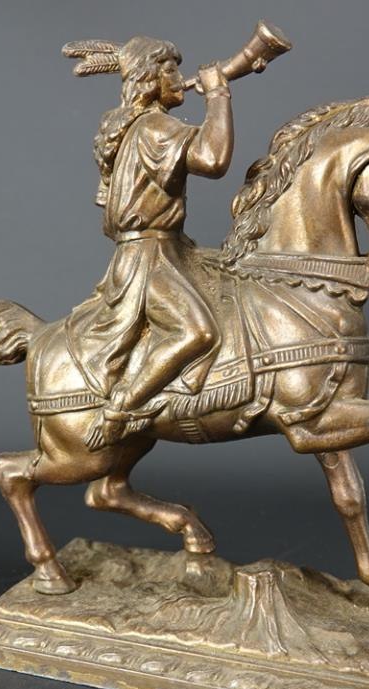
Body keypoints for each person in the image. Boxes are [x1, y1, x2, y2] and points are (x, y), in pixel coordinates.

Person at [64, 36, 234, 448]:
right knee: (197, 332)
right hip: (151, 258)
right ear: (148, 79)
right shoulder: (155, 127)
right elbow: (213, 160)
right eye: (170, 70)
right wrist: (218, 95)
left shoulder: (133, 127)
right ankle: (120, 408)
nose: (179, 78)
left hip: (170, 249)